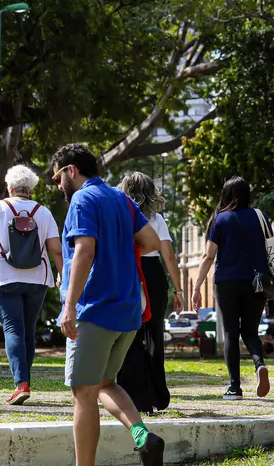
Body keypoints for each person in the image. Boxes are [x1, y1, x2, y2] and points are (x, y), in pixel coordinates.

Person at [51, 143, 165, 466]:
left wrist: (69, 305)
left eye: (57, 178)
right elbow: (152, 242)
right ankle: (143, 437)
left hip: (94, 310)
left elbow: (85, 250)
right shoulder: (121, 198)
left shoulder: (82, 200)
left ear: (71, 170)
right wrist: (118, 247)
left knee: (83, 394)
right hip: (127, 312)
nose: (58, 186)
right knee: (105, 383)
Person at [0, 165, 64, 405]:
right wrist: (65, 277)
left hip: (5, 278)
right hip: (38, 279)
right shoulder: (43, 212)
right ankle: (24, 381)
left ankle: (21, 384)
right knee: (28, 330)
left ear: (10, 187)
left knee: (12, 328)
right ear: (31, 189)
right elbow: (56, 250)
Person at [191, 176, 271, 401]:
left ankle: (235, 388)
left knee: (230, 333)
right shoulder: (260, 216)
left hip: (227, 282)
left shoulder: (221, 219)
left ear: (226, 195)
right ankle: (259, 364)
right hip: (257, 281)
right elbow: (270, 248)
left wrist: (197, 286)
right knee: (250, 331)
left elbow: (208, 256)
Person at [116, 172, 184, 415]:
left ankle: (133, 394)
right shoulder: (156, 219)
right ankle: (157, 394)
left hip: (128, 271)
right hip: (153, 273)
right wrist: (178, 290)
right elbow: (169, 255)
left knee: (130, 334)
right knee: (154, 333)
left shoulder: (120, 215)